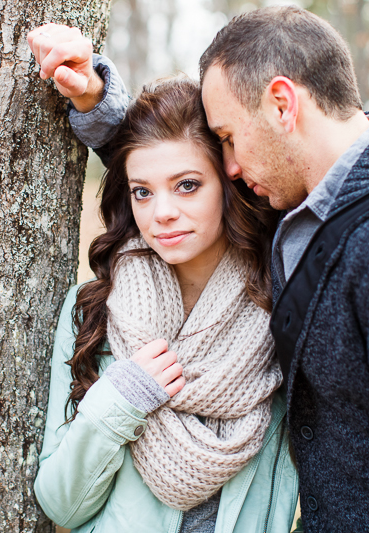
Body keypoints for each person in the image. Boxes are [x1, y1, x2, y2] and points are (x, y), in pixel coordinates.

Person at [28, 6, 369, 532]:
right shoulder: (305, 215)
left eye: (227, 136)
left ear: (282, 106)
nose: (230, 166)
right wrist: (93, 96)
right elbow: (167, 166)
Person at [31, 75, 300, 532]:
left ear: (229, 183)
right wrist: (120, 399)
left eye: (188, 185)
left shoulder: (283, 310)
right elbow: (61, 504)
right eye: (143, 191)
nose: (162, 213)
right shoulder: (95, 310)